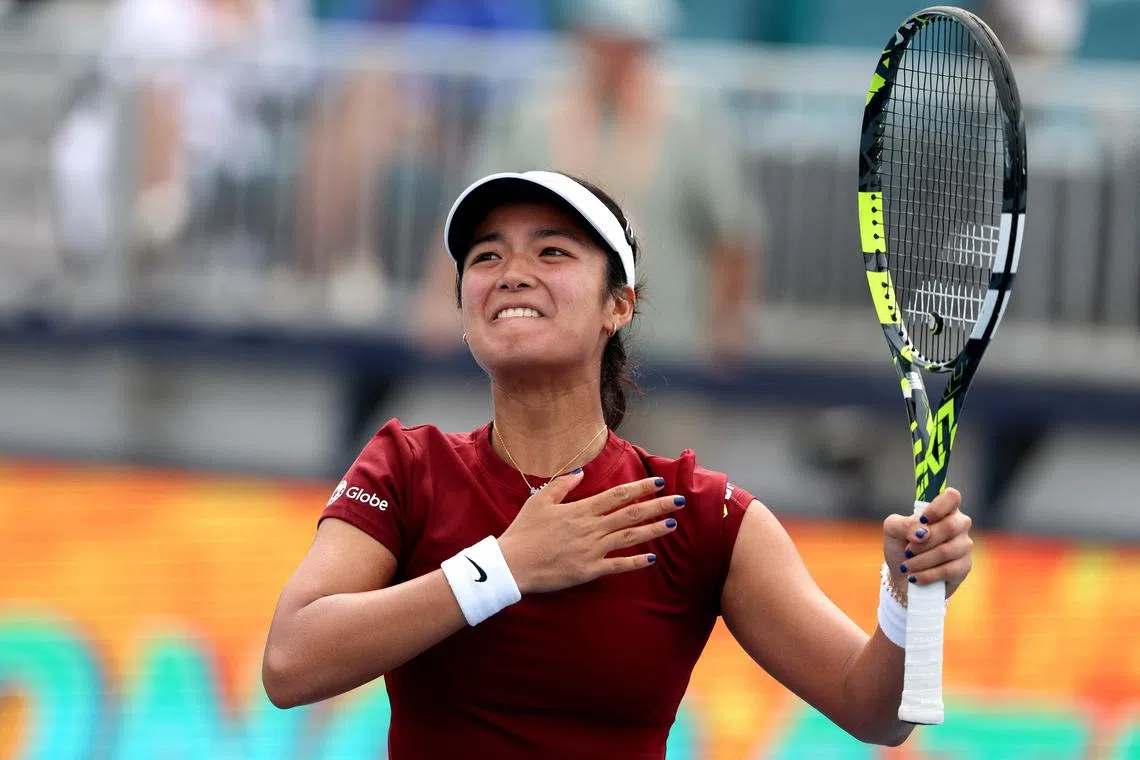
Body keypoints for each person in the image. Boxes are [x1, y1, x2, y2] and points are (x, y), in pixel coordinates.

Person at [262, 171, 974, 758]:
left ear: (619, 306)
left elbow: (874, 713)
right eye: (486, 257)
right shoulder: (404, 467)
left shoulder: (704, 515)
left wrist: (910, 597)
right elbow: (291, 663)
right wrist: (505, 568)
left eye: (552, 253)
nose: (512, 274)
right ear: (464, 309)